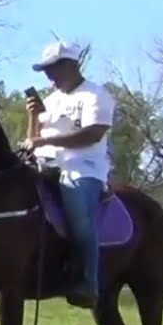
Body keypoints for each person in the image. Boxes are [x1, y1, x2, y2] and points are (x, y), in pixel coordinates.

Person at [22, 40, 116, 309]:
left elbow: (93, 134)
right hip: (44, 164)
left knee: (77, 210)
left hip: (83, 168)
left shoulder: (95, 96)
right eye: (45, 71)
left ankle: (88, 280)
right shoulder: (51, 100)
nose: (48, 76)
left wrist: (44, 143)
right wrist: (34, 117)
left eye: (52, 69)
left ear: (70, 65)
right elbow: (33, 140)